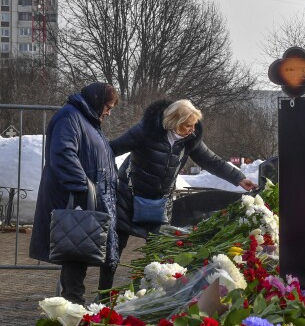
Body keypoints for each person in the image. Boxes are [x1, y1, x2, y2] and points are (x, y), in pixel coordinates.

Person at [99, 99, 257, 291]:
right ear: (174, 121)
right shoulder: (145, 130)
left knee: (157, 253)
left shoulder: (190, 140)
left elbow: (212, 161)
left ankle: (148, 296)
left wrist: (239, 178)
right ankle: (102, 293)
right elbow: (111, 149)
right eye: (188, 125)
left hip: (159, 204)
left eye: (194, 125)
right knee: (114, 250)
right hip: (127, 199)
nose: (192, 130)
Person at [29, 82, 120, 305]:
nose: (108, 112)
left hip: (85, 198)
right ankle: (72, 305)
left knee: (78, 252)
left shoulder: (87, 120)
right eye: (108, 107)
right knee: (76, 252)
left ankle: (71, 304)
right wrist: (86, 188)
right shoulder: (70, 117)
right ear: (97, 101)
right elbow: (62, 155)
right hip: (75, 199)